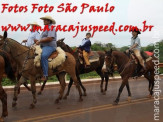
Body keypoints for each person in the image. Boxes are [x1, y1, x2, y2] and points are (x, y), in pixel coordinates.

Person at [35, 15, 57, 81]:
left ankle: (45, 75)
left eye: (45, 20)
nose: (43, 21)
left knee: (43, 56)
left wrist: (40, 41)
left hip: (50, 46)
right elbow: (43, 38)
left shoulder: (51, 28)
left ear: (48, 21)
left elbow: (50, 38)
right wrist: (38, 41)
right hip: (43, 46)